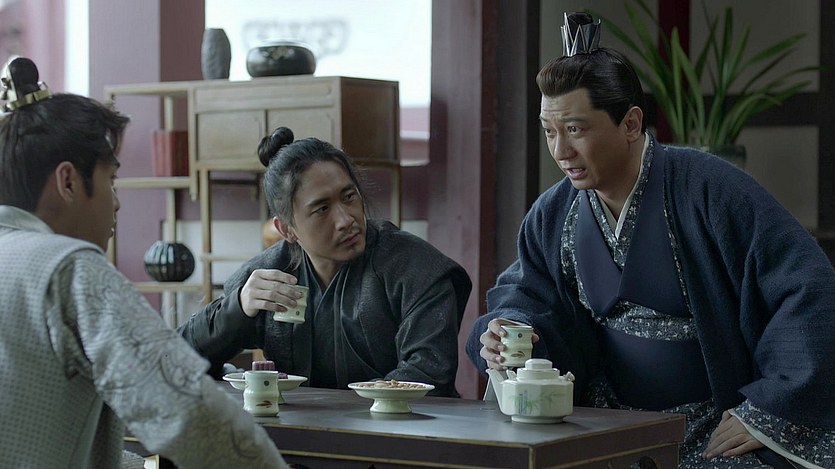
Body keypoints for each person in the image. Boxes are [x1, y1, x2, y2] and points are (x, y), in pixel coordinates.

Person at [466, 13, 834, 469]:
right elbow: (527, 293)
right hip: (603, 420)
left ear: (631, 123)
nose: (560, 151)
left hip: (713, 422)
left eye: (575, 129)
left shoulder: (710, 190)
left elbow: (806, 284)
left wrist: (767, 408)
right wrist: (507, 331)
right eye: (549, 131)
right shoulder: (553, 213)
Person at [0, 56, 288, 468]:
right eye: (111, 181)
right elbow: (191, 415)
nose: (116, 203)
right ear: (68, 181)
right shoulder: (70, 269)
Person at [178, 126, 472, 397]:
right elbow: (174, 357)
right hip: (299, 431)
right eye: (321, 209)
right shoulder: (270, 276)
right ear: (286, 229)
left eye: (349, 197)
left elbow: (428, 376)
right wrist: (237, 309)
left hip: (398, 432)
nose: (346, 220)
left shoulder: (414, 268)